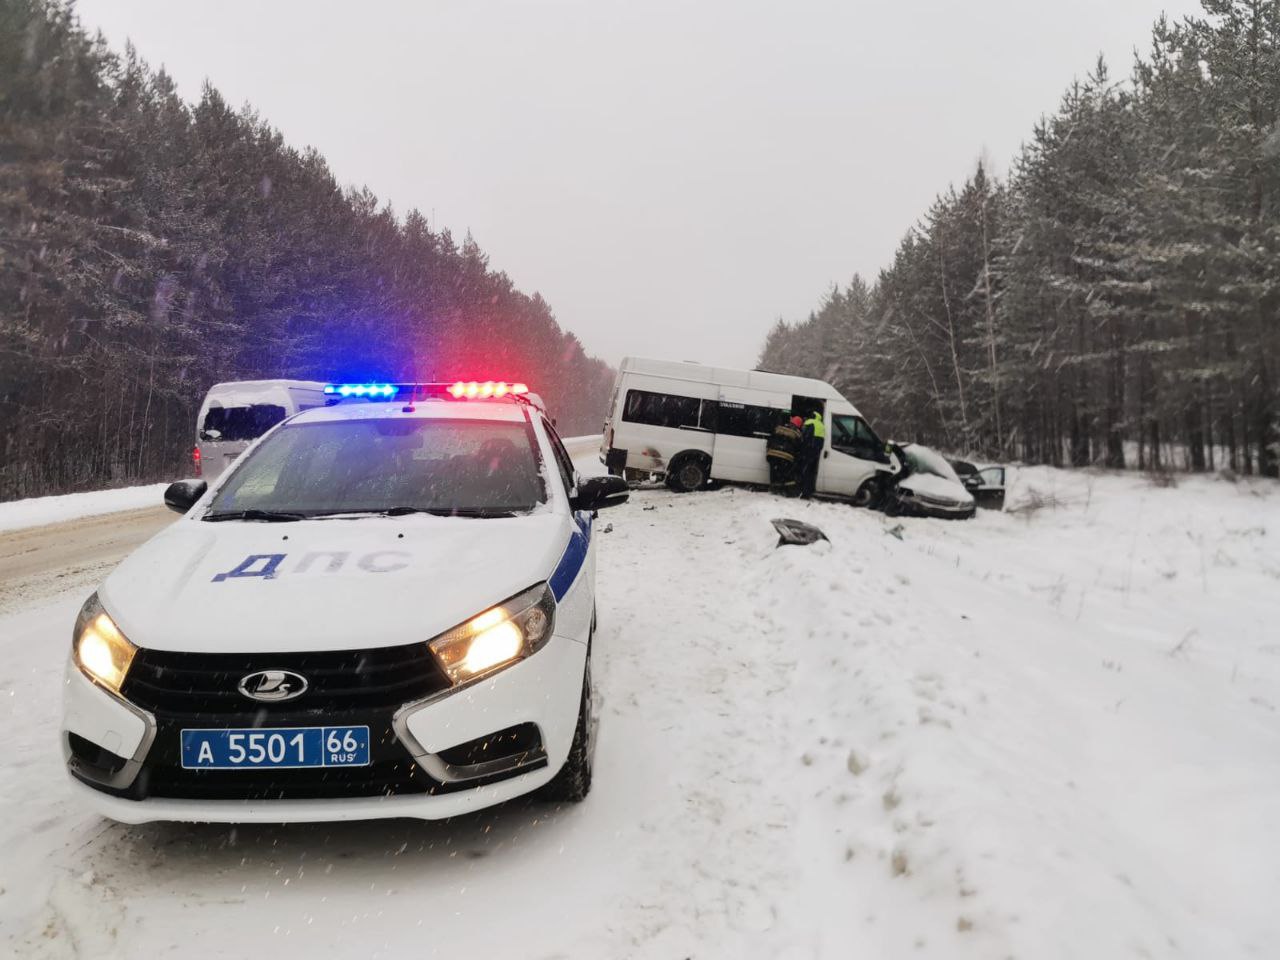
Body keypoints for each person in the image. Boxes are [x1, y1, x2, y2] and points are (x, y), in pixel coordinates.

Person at [765, 415, 803, 496]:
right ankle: (784, 490)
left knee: (774, 472)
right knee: (784, 474)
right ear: (799, 425)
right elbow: (799, 448)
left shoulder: (779, 427)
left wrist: (769, 449)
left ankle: (774, 488)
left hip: (772, 454)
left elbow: (770, 438)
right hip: (786, 457)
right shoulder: (797, 433)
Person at [799, 408, 825, 499]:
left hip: (807, 451)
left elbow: (804, 438)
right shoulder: (821, 425)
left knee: (805, 472)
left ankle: (804, 493)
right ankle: (809, 491)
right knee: (811, 473)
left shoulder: (810, 423)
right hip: (815, 453)